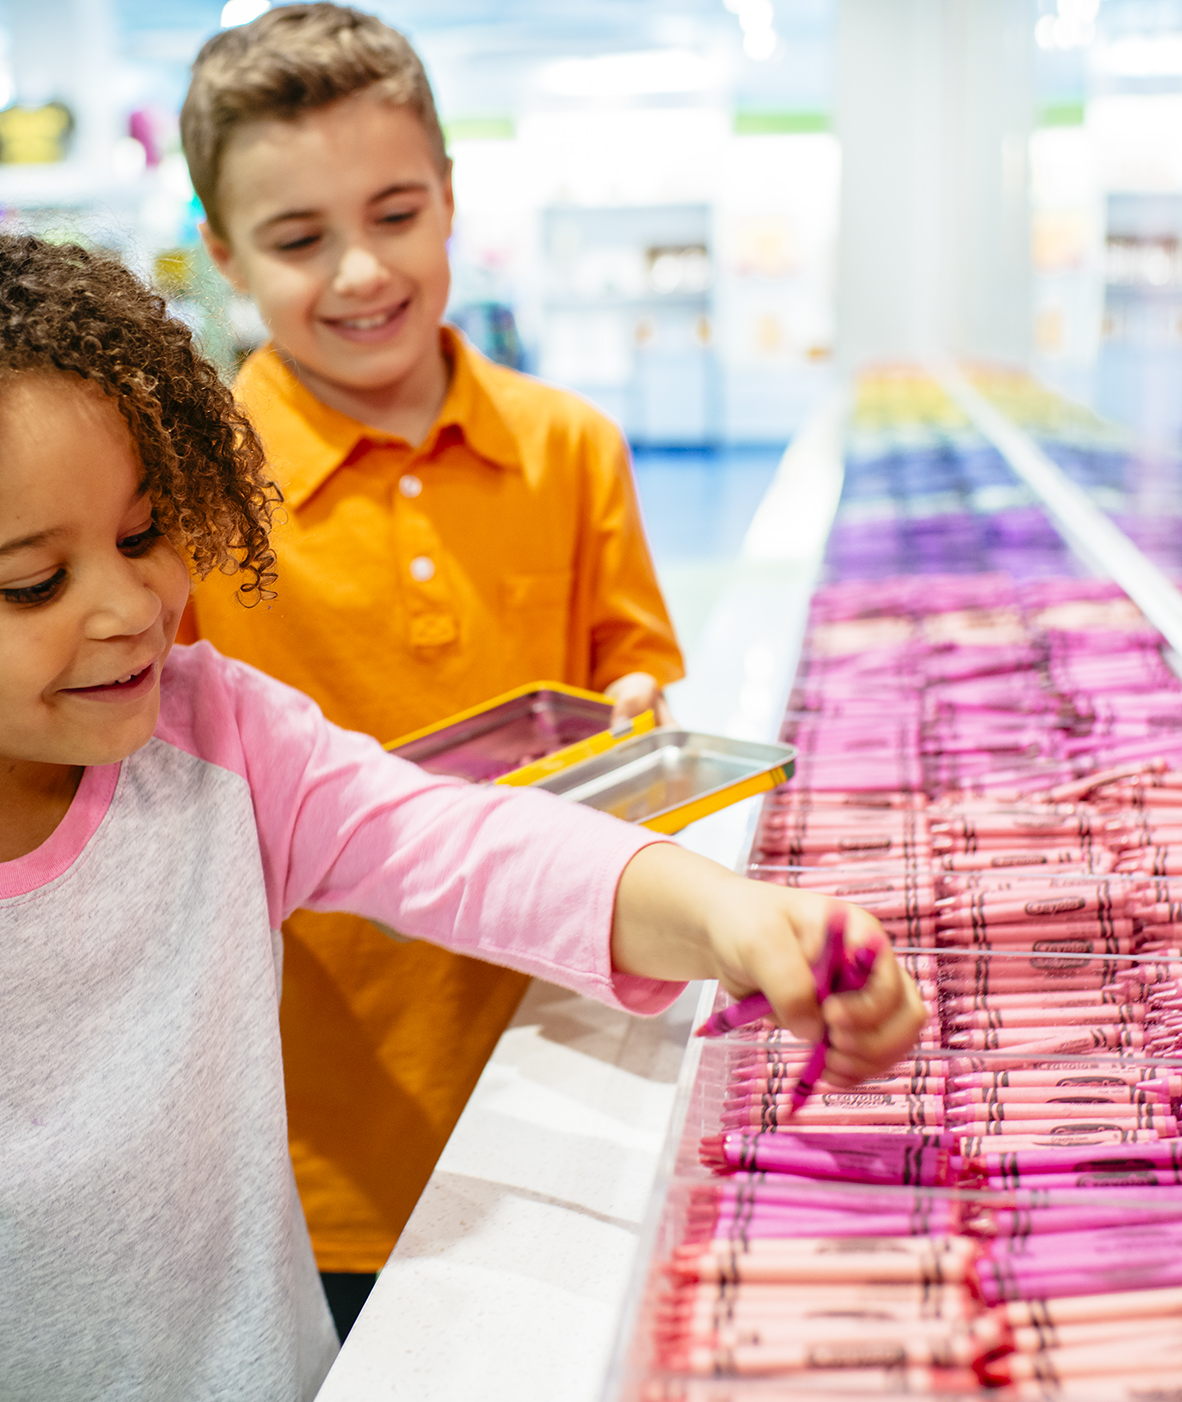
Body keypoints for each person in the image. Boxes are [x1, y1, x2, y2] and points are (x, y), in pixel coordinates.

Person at [0, 229, 923, 1402]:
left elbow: (459, 841)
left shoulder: (217, 739)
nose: (131, 603)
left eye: (145, 531)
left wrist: (730, 916)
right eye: (36, 582)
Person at [179, 5, 688, 1327]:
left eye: (395, 213)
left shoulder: (571, 449)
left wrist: (639, 722)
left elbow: (635, 681)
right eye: (298, 240)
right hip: (306, 1139)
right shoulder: (179, 493)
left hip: (566, 1057)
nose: (360, 272)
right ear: (223, 253)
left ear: (453, 199)